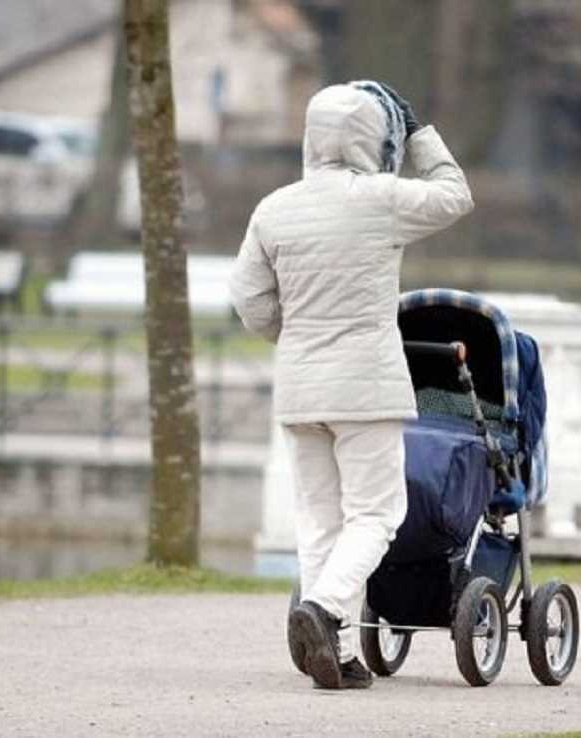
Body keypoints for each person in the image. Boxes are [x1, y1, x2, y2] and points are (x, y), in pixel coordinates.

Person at [228, 81, 474, 689]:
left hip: (300, 387)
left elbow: (249, 300)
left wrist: (294, 334)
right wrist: (421, 136)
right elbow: (455, 195)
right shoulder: (380, 198)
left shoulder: (274, 208)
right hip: (365, 385)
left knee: (319, 521)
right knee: (377, 513)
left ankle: (331, 655)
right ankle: (323, 610)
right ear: (374, 137)